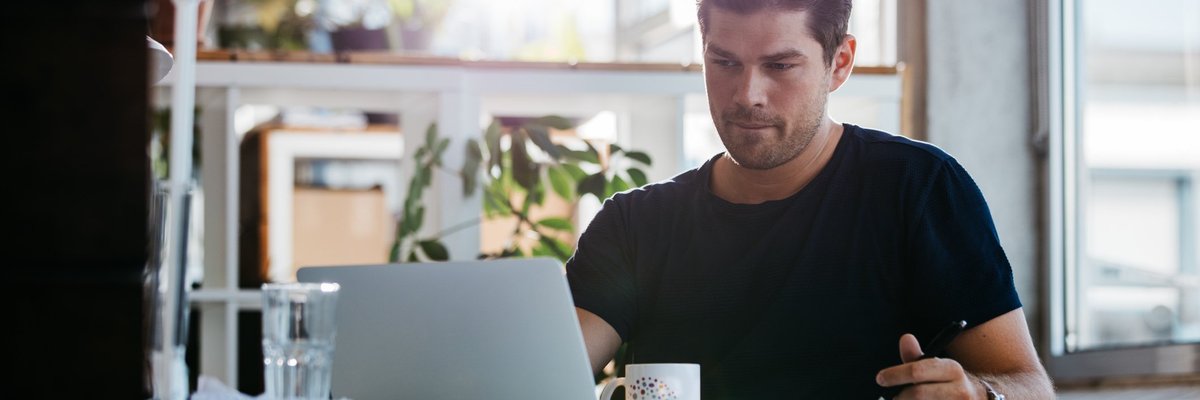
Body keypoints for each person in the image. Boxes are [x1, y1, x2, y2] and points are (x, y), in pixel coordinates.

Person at [565, 0, 1056, 398]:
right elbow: (540, 375)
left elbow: (1029, 385)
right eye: (724, 62)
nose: (747, 94)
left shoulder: (918, 188)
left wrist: (979, 393)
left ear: (838, 63)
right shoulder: (635, 225)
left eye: (780, 65)